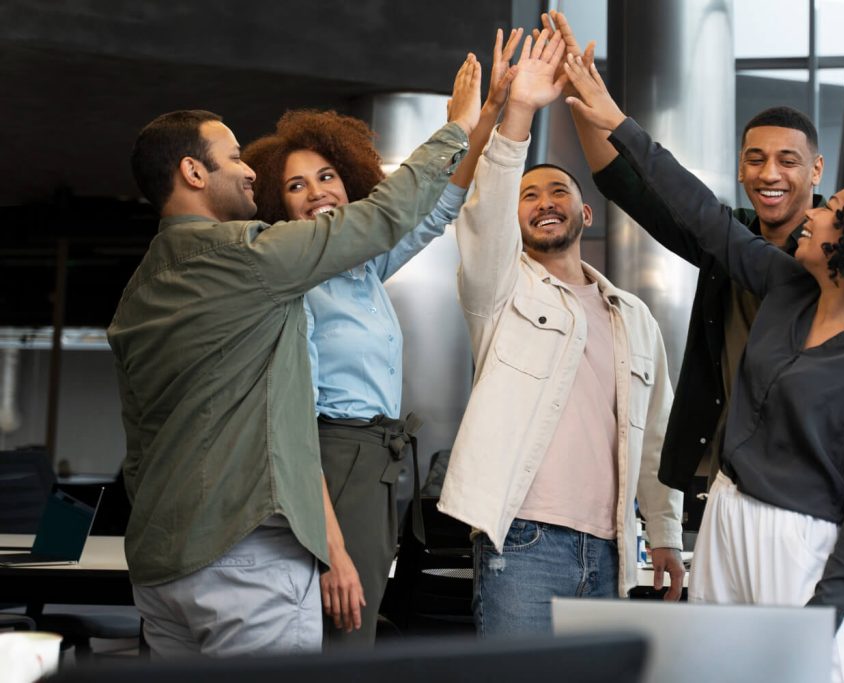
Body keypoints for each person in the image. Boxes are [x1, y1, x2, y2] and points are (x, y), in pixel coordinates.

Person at [562, 54, 844, 682]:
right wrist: (617, 121)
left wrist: (823, 616)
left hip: (804, 546)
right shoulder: (782, 285)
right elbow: (699, 212)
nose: (816, 212)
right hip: (726, 515)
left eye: (835, 210)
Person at [107, 55, 481, 657]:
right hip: (246, 556)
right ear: (193, 172)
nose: (248, 172)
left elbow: (139, 447)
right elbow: (387, 216)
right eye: (233, 159)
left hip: (162, 566)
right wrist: (457, 125)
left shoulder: (139, 291)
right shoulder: (253, 259)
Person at [240, 30, 523, 647]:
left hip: (375, 464)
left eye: (327, 176)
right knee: (340, 633)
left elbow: (442, 202)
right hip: (328, 462)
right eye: (297, 186)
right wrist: (333, 549)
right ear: (277, 205)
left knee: (351, 632)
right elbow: (290, 426)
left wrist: (489, 115)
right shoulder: (297, 287)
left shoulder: (362, 266)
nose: (318, 191)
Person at [437, 29, 684, 637]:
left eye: (558, 192)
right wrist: (516, 112)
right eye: (529, 196)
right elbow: (484, 211)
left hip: (613, 550)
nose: (543, 203)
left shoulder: (633, 315)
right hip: (523, 541)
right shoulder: (499, 289)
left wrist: (667, 537)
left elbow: (656, 437)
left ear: (587, 212)